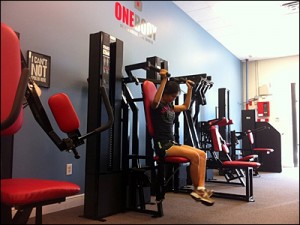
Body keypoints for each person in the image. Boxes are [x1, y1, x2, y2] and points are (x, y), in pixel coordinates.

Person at [150, 69, 214, 206]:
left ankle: (200, 189)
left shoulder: (170, 106)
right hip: (163, 145)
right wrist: (163, 80)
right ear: (165, 94)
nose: (173, 98)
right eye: (172, 96)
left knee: (202, 154)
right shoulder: (156, 106)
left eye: (175, 96)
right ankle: (198, 191)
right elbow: (156, 100)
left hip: (172, 143)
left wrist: (189, 89)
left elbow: (185, 106)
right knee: (195, 157)